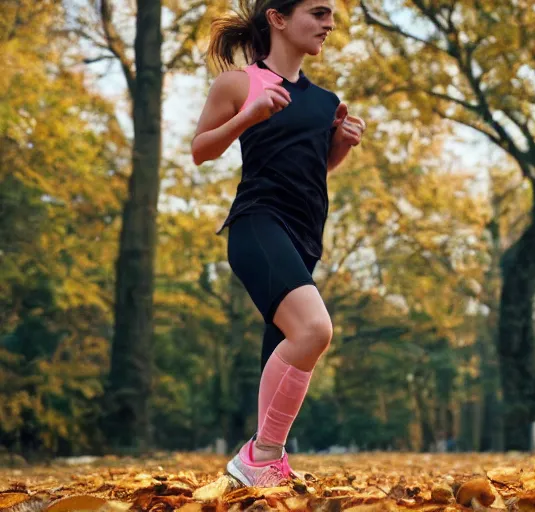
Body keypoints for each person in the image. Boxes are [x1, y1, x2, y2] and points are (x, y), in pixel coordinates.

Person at [191, 0, 366, 487]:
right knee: (314, 330)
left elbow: (313, 170)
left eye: (331, 15)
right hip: (256, 226)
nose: (329, 23)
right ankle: (260, 454)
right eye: (319, 12)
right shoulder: (240, 83)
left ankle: (264, 467)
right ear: (278, 18)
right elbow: (200, 150)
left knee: (288, 349)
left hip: (304, 236)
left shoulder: (325, 100)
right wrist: (248, 115)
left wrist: (341, 144)